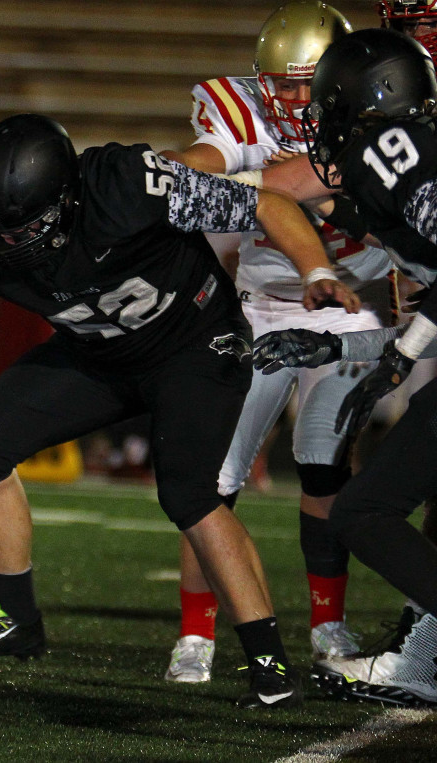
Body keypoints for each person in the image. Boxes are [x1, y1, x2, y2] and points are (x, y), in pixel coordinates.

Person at [0, 113, 361, 708]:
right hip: (95, 355)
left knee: (189, 494)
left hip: (193, 345)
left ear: (68, 198)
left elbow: (269, 205)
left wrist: (317, 270)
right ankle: (14, 618)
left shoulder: (128, 183)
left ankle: (270, 663)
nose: (6, 240)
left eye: (25, 225)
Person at [160, 0, 390, 684]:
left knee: (323, 461)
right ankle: (196, 634)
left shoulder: (386, 115)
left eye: (303, 83)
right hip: (261, 309)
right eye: (278, 84)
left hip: (355, 310)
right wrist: (175, 174)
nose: (289, 99)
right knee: (216, 478)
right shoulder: (245, 112)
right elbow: (199, 163)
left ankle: (327, 624)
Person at [251, 27, 437, 706]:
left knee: (364, 511)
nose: (322, 121)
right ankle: (423, 662)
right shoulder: (392, 174)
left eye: (330, 104)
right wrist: (342, 349)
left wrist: (398, 357)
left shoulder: (398, 150)